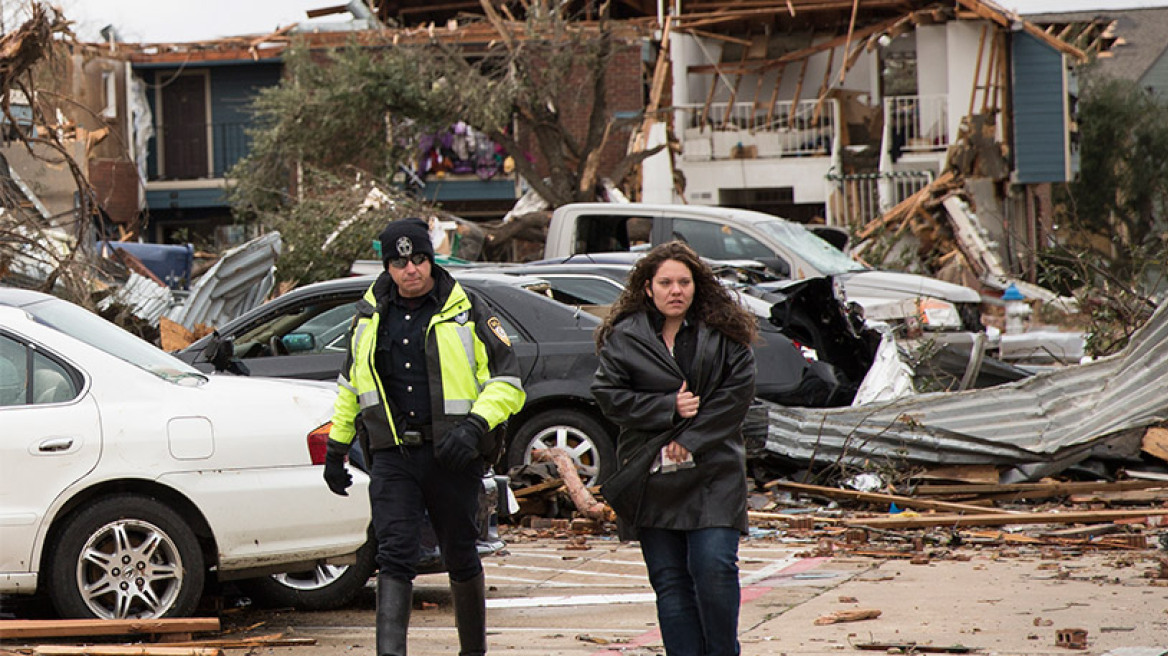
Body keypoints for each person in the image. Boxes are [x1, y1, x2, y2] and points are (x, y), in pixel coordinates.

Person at [322, 217, 526, 656]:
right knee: (394, 553)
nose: (410, 269)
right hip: (393, 456)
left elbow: (508, 383)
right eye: (399, 262)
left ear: (430, 260)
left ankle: (473, 652)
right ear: (387, 267)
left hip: (454, 456)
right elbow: (350, 387)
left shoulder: (467, 309)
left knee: (460, 552)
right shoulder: (368, 317)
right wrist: (336, 450)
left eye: (417, 259)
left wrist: (473, 428)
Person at [591, 241, 757, 656]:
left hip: (714, 472)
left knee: (714, 568)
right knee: (670, 582)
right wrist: (666, 407)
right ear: (648, 288)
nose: (675, 290)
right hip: (651, 474)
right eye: (665, 282)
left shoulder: (724, 336)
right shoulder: (625, 336)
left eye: (684, 282)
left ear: (696, 286)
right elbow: (608, 395)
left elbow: (735, 398)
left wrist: (689, 438)